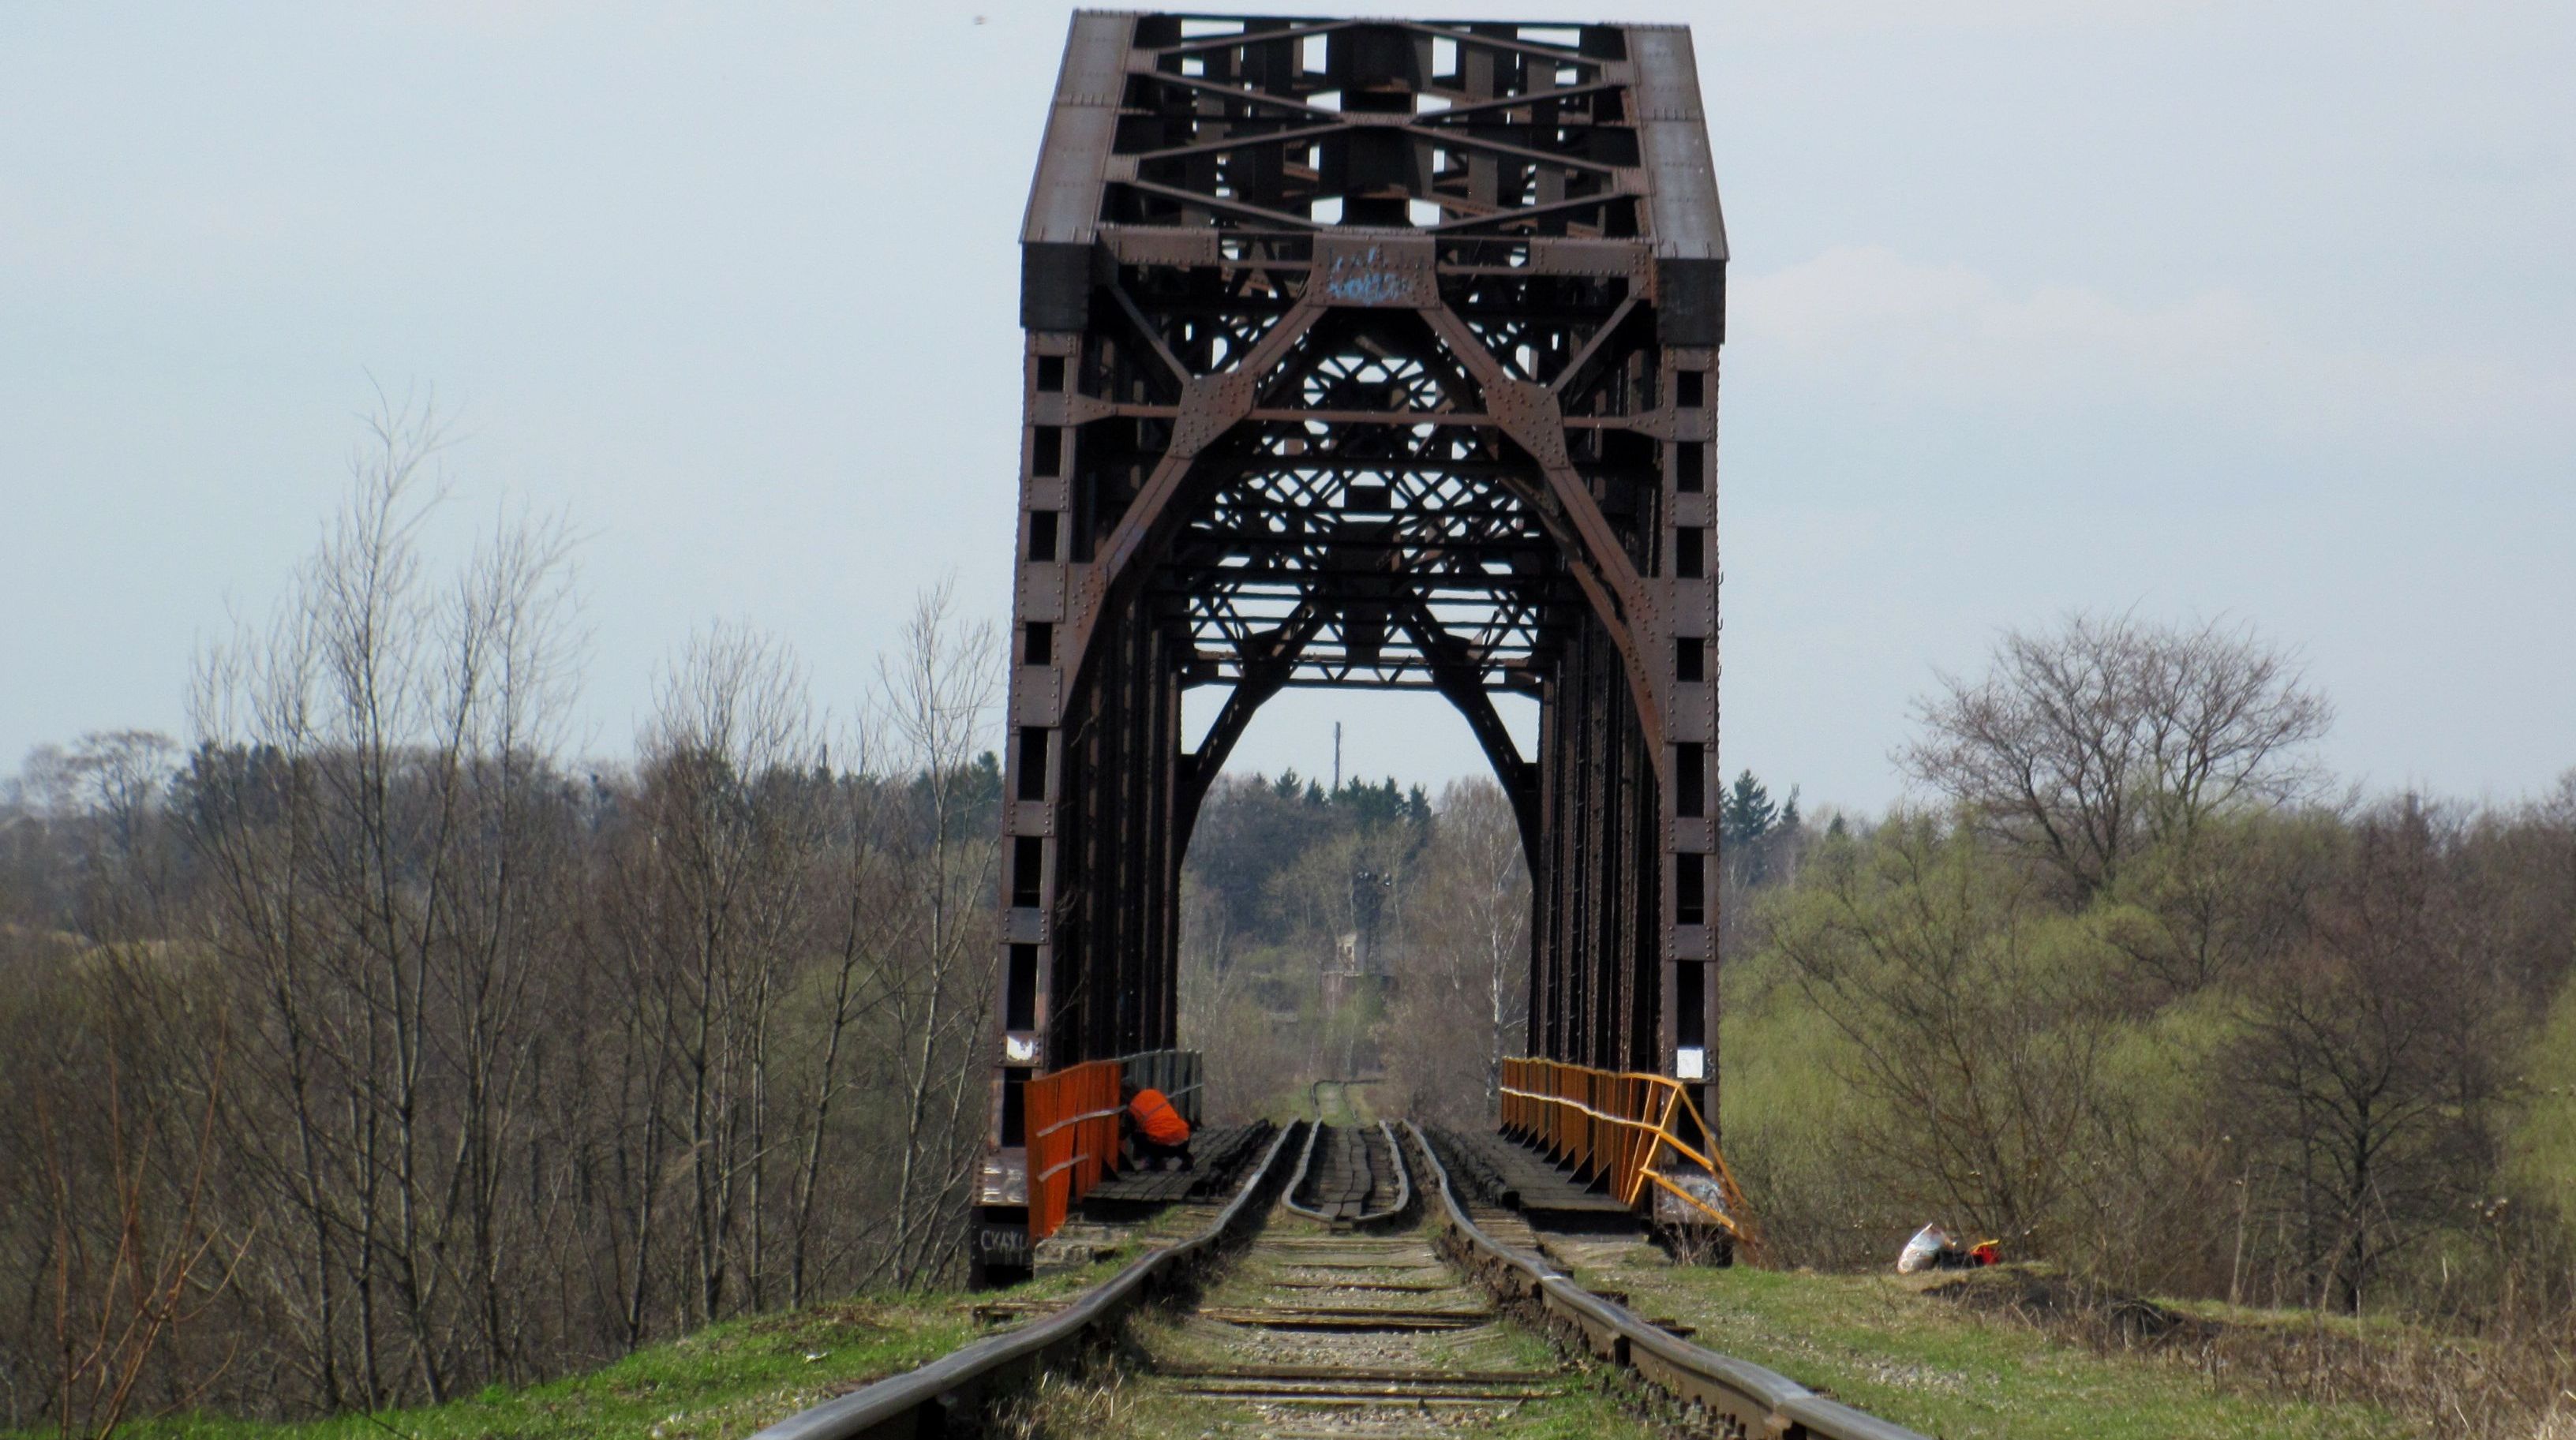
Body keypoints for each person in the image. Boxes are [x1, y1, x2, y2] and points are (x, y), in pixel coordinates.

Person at [1124, 1084, 1193, 1171]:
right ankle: (1186, 1158)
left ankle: (1155, 1160)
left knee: (1136, 1136)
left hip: (1162, 1145)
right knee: (1172, 1134)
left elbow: (1125, 1132)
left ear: (1126, 1096)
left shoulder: (1133, 1107)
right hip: (1184, 1137)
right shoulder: (1154, 1093)